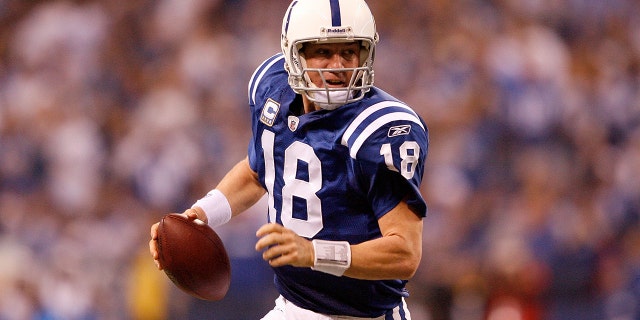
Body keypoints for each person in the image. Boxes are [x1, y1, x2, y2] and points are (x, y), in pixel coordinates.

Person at [149, 0, 429, 319]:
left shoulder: (383, 130)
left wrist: (312, 252)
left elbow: (404, 252)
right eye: (323, 52)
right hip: (292, 308)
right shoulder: (273, 89)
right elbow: (258, 170)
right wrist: (199, 215)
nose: (337, 65)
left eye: (349, 52)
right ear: (294, 55)